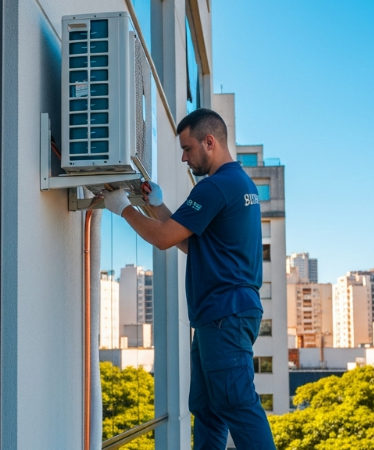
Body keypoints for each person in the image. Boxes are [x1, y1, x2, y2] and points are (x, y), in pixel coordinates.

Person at [100, 109, 276, 449]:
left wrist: (123, 208)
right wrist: (156, 205)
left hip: (223, 314)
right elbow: (191, 242)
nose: (183, 157)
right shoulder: (241, 183)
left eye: (187, 148)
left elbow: (164, 238)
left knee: (237, 404)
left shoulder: (216, 186)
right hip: (224, 314)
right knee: (208, 410)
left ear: (209, 142)